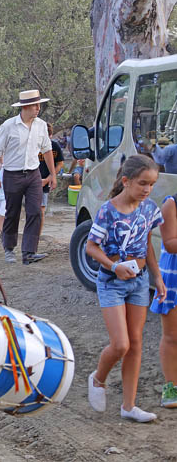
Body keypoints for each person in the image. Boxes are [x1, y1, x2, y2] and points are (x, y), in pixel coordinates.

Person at [85, 154, 165, 423]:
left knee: (136, 343)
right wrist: (112, 265)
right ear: (126, 181)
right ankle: (98, 378)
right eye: (143, 183)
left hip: (140, 281)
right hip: (112, 282)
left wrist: (158, 277)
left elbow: (147, 245)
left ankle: (129, 406)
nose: (147, 190)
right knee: (121, 344)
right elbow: (90, 246)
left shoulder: (149, 208)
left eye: (151, 184)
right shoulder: (108, 211)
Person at [0, 89, 57, 265]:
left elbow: (47, 150)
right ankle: (9, 248)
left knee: (35, 211)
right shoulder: (8, 126)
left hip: (33, 173)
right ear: (25, 107)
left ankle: (28, 252)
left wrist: (52, 174)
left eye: (38, 105)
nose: (38, 109)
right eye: (35, 105)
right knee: (12, 212)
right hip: (12, 174)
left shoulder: (41, 125)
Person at [151, 190, 177, 408]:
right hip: (174, 278)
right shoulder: (171, 204)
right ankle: (171, 386)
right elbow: (170, 243)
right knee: (172, 336)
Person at [39, 123, 64, 234]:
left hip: (45, 182)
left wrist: (49, 178)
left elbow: (60, 163)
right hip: (32, 180)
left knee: (41, 210)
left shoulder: (55, 146)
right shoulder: (33, 146)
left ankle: (37, 234)